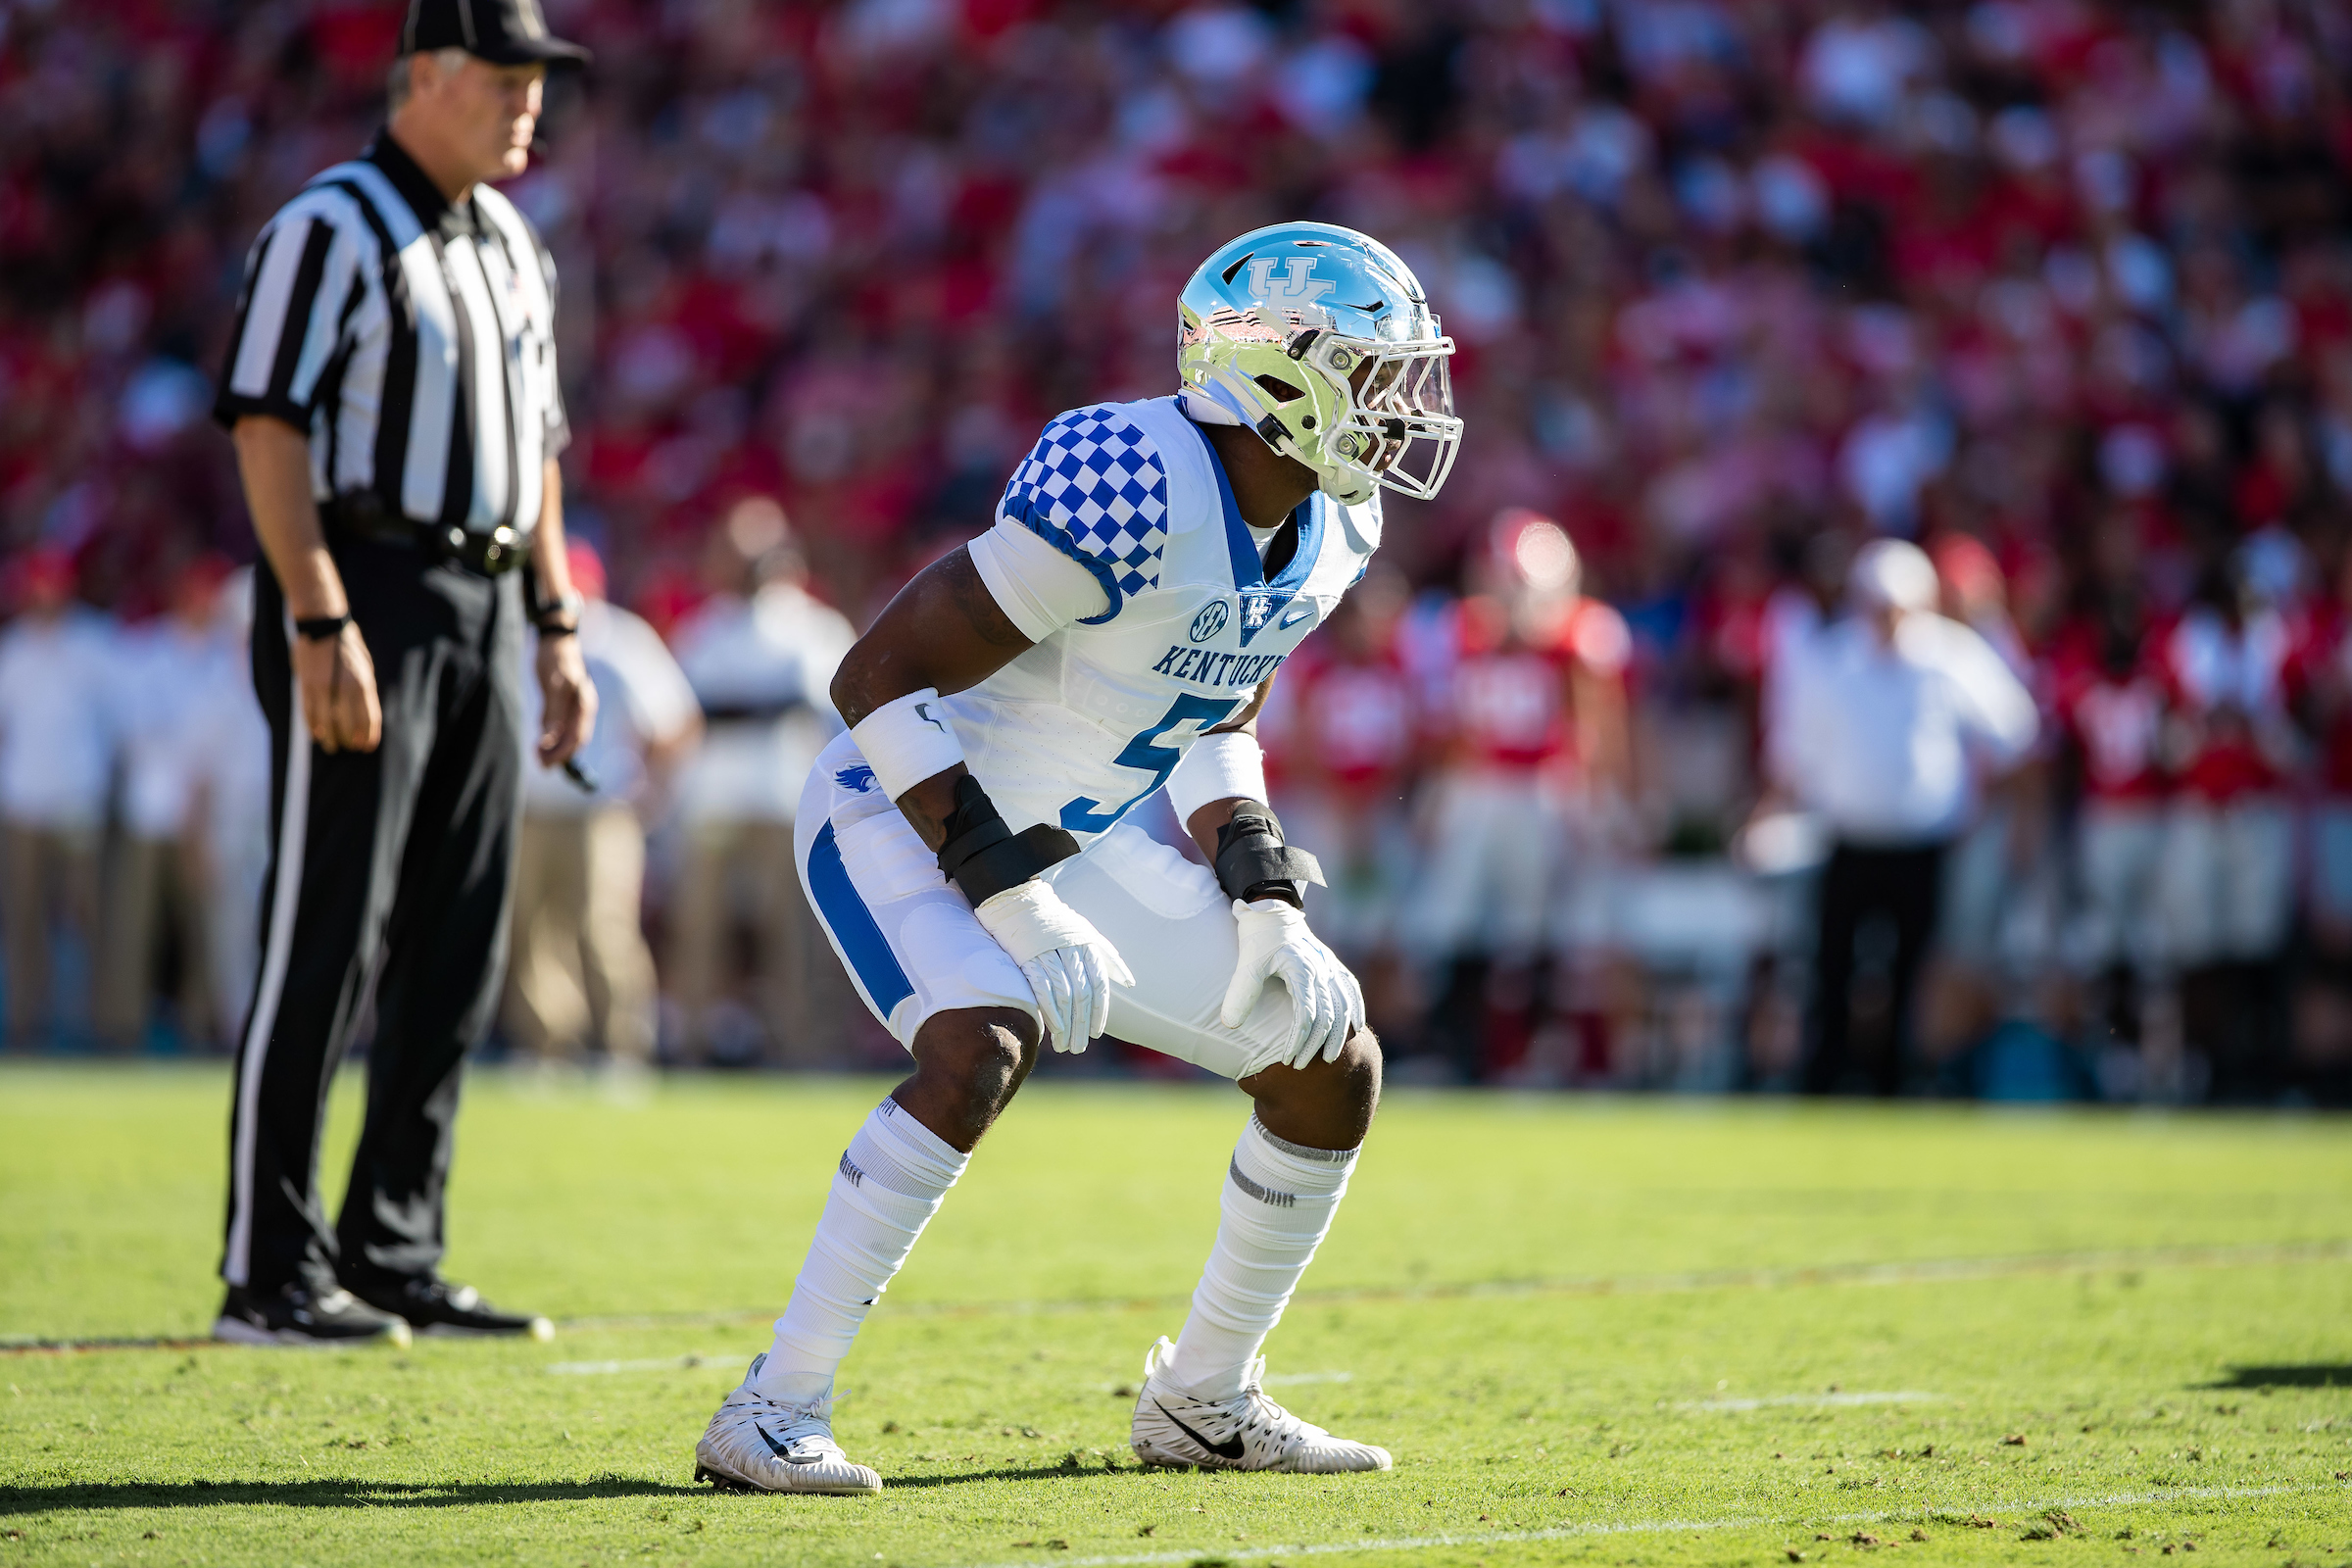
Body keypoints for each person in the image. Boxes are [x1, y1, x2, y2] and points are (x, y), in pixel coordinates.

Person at [690, 221, 1462, 1494]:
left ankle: (1204, 1399)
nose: (1399, 406)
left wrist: (1259, 885)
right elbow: (875, 680)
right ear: (1276, 372)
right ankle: (772, 1408)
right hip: (896, 804)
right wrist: (1010, 898)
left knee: (1328, 1064)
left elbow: (1221, 702)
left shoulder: (1336, 521)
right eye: (1372, 371)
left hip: (1066, 836)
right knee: (982, 1038)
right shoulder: (1132, 476)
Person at [208, 0, 596, 1347]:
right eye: (504, 77)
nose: (528, 102)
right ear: (423, 75)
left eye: (539, 79)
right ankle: (268, 1269)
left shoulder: (513, 242)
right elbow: (269, 424)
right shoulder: (330, 224)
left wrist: (555, 622)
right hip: (366, 583)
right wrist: (318, 617)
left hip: (489, 599)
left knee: (458, 942)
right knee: (331, 926)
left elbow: (539, 452)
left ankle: (391, 1247)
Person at [1765, 538, 2038, 1096]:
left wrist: (1988, 802)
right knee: (1833, 967)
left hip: (1924, 843)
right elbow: (1793, 754)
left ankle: (1900, 1077)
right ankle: (1827, 1075)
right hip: (1847, 839)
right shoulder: (1830, 659)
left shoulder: (1949, 656)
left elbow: (2016, 733)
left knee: (1913, 972)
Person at [1412, 511, 1631, 1079]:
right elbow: (1451, 725)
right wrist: (1440, 792)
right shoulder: (1461, 632)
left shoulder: (1575, 637)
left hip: (1540, 788)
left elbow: (1596, 724)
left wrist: (1595, 798)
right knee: (1452, 917)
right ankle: (1456, 1047)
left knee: (1531, 925)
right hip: (1478, 786)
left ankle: (1525, 1050)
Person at [665, 498, 857, 1066]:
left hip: (787, 798)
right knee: (700, 928)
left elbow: (825, 708)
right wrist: (762, 707)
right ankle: (691, 1042)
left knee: (794, 935)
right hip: (716, 800)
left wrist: (745, 708)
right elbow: (689, 708)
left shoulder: (815, 627)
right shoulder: (707, 625)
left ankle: (805, 1047)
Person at [504, 540, 700, 1079]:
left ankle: (623, 1047)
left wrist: (651, 794)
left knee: (604, 928)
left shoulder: (621, 640)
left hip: (599, 809)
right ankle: (547, 1047)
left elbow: (674, 721)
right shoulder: (522, 636)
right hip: (531, 806)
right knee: (531, 931)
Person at [98, 557, 234, 1052]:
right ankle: (121, 1026)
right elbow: (136, 731)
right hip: (151, 810)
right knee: (133, 924)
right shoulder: (148, 652)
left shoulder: (226, 658)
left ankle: (203, 1024)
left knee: (204, 926)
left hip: (203, 815)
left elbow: (222, 741)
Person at [0, 549, 116, 1051]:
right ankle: (26, 1023)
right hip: (24, 804)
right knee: (23, 919)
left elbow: (120, 724)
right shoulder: (13, 650)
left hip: (78, 806)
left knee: (87, 918)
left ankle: (93, 1025)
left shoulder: (94, 645)